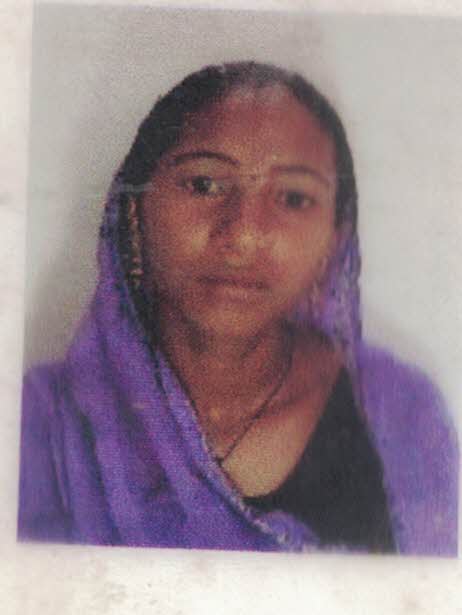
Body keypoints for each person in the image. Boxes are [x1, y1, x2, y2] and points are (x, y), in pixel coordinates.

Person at [18, 62, 458, 554]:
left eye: (293, 198)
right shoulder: (39, 423)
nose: (244, 235)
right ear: (135, 210)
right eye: (204, 185)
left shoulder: (403, 413)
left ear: (334, 241)